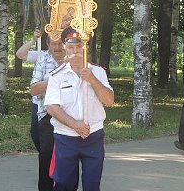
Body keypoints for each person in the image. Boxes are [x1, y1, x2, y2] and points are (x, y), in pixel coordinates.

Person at [44, 26, 114, 191]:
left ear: (86, 47)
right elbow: (51, 107)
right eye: (71, 47)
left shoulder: (98, 72)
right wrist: (75, 124)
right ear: (65, 48)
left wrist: (93, 80)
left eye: (79, 46)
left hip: (93, 136)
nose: (76, 51)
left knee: (92, 184)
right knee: (64, 184)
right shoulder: (57, 75)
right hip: (66, 137)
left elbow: (109, 101)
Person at [30, 36, 65, 191]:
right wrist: (53, 80)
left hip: (70, 115)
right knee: (46, 154)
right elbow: (33, 89)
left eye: (60, 44)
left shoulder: (74, 61)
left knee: (67, 157)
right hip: (47, 115)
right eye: (53, 44)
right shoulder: (43, 61)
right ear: (48, 45)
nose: (57, 47)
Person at [16, 29, 44, 152]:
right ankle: (46, 160)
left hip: (56, 101)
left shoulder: (65, 55)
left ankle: (52, 163)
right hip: (38, 101)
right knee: (36, 134)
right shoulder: (41, 54)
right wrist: (33, 40)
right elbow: (20, 54)